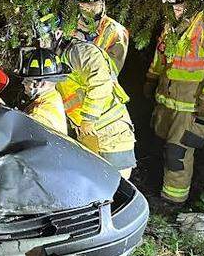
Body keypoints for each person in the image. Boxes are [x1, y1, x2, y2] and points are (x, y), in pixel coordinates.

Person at [145, 0, 204, 210]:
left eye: (180, 5)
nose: (176, 10)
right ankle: (161, 193)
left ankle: (173, 202)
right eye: (173, 6)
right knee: (162, 149)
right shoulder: (171, 26)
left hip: (190, 107)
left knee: (178, 154)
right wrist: (151, 79)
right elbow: (160, 57)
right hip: (166, 103)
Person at [44, 13, 137, 178]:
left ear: (57, 34)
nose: (41, 44)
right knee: (95, 185)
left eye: (44, 38)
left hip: (112, 132)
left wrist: (88, 120)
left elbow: (101, 82)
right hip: (89, 132)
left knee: (116, 186)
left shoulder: (81, 51)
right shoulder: (59, 60)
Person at [16, 46, 68, 136]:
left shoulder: (37, 116)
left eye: (27, 81)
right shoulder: (53, 95)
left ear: (41, 84)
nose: (23, 83)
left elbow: (14, 136)